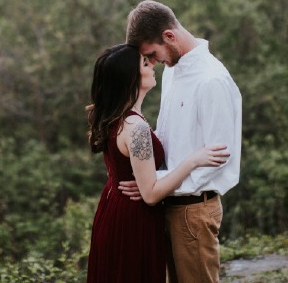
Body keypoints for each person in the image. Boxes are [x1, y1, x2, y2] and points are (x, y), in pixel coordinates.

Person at [85, 43, 230, 283]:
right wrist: (192, 160)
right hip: (132, 220)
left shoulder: (119, 120)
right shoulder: (136, 127)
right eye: (144, 62)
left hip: (116, 211)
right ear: (131, 77)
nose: (152, 64)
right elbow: (151, 194)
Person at [120, 0, 242, 283]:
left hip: (194, 210)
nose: (151, 62)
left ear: (169, 36)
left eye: (152, 54)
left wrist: (153, 184)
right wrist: (151, 182)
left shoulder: (212, 80)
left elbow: (215, 159)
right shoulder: (173, 71)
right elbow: (169, 141)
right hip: (169, 205)